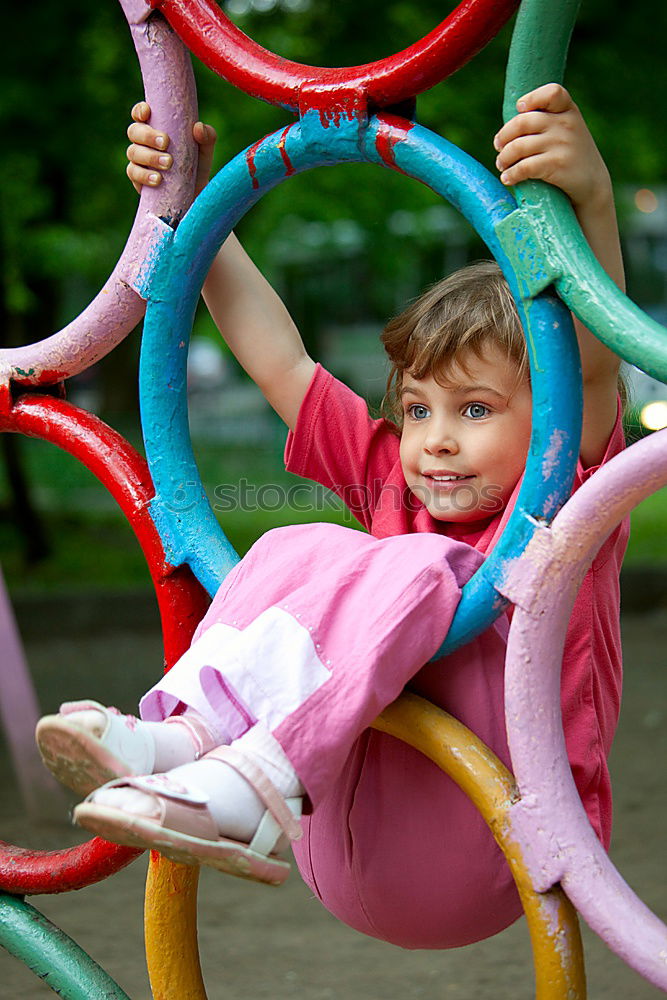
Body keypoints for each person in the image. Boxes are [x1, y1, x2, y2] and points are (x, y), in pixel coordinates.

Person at [36, 85, 628, 948]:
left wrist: (594, 200)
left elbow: (595, 364)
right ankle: (189, 742)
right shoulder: (393, 478)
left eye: (473, 410)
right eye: (417, 409)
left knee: (414, 570)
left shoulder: (568, 496)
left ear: (551, 418)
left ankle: (252, 778)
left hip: (491, 833)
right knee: (295, 545)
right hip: (336, 835)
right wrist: (198, 208)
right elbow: (280, 362)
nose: (430, 442)